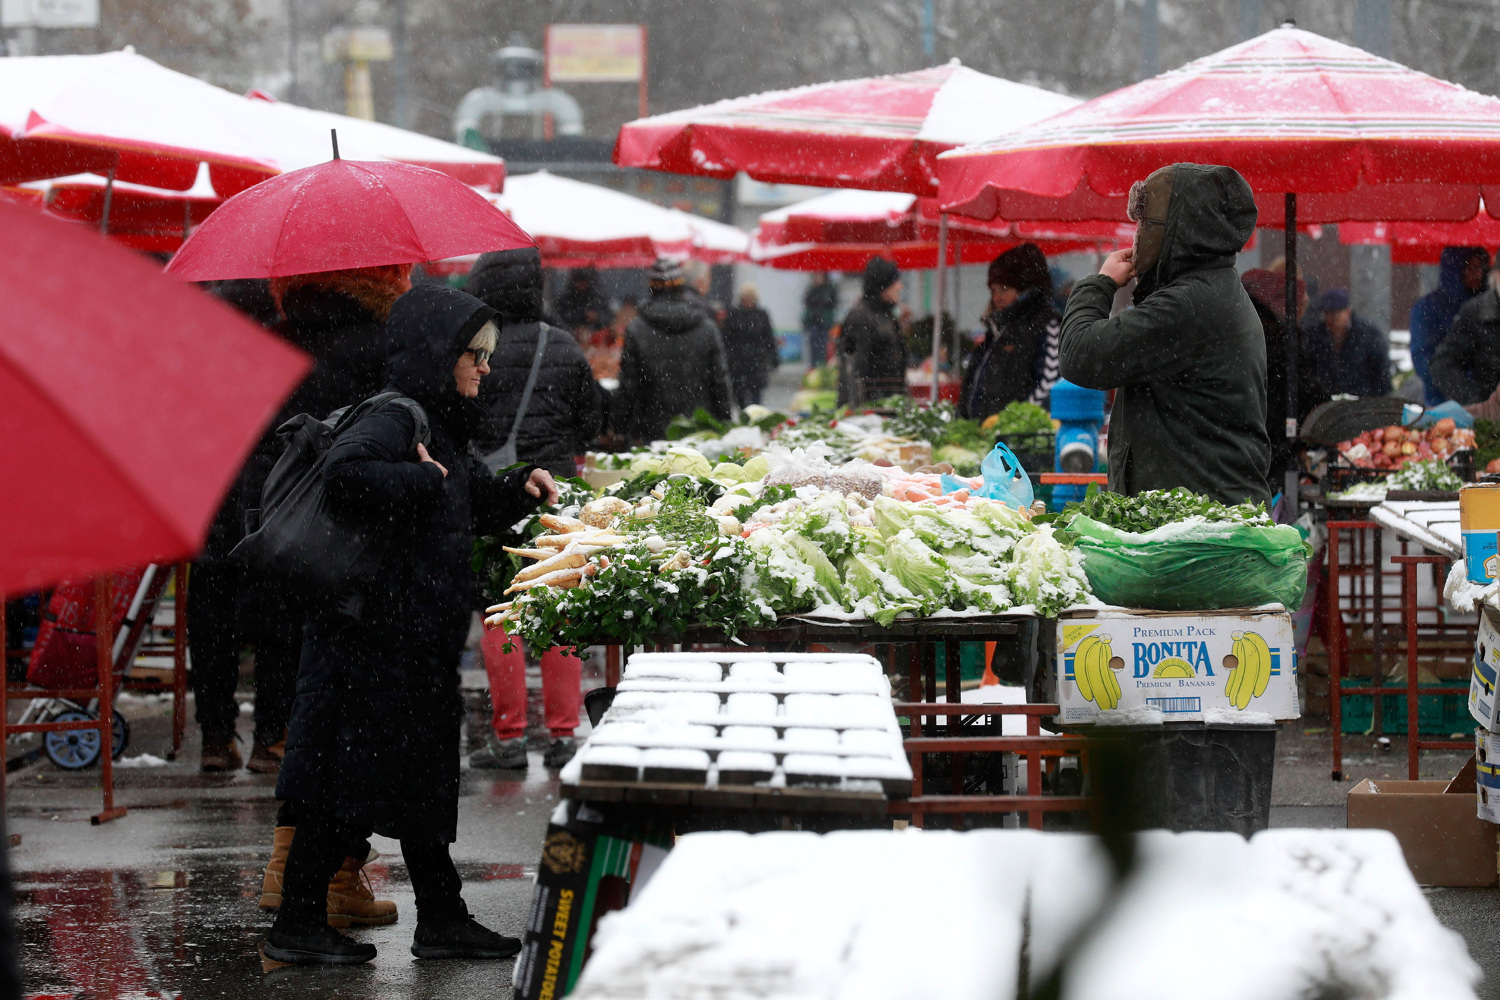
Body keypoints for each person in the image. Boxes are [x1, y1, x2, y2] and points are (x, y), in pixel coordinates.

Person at [266, 284, 558, 966]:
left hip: (413, 637)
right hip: (374, 640)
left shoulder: (439, 424)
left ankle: (442, 918)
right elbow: (347, 477)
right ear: (437, 353)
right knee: (351, 785)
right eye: (473, 354)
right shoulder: (397, 417)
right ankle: (298, 922)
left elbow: (465, 497)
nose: (485, 367)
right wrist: (420, 483)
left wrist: (517, 488)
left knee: (422, 782)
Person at [192, 266, 405, 775]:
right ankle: (274, 735)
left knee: (215, 612)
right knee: (289, 616)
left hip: (235, 488)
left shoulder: (265, 338)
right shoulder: (377, 344)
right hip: (322, 497)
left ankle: (216, 737)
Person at [462, 246, 604, 772]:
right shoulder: (562, 344)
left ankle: (509, 737)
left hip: (494, 493)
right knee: (557, 606)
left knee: (500, 610)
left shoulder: (477, 348)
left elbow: (463, 415)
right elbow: (591, 420)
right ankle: (564, 733)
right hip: (554, 494)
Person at [1059, 162, 1270, 505]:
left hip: (1200, 520)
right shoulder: (1211, 290)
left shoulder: (1190, 303)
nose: (1137, 235)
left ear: (1175, 230)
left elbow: (1080, 354)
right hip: (1203, 510)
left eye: (1144, 223)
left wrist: (1100, 284)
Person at [613, 259, 733, 443]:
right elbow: (719, 381)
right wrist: (724, 421)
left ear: (651, 289)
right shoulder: (707, 327)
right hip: (699, 428)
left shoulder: (636, 329)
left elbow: (629, 385)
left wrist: (620, 426)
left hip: (652, 429)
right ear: (681, 288)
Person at [1241, 268, 1329, 491]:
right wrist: (1326, 405)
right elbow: (1305, 389)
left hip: (1250, 435)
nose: (1301, 315)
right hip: (1274, 437)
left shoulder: (1247, 323)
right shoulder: (1278, 338)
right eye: (1299, 308)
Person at [960, 243, 1060, 420]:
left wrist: (1012, 424)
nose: (996, 297)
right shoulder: (997, 329)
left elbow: (1049, 385)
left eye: (1004, 289)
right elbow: (973, 387)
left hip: (1019, 434)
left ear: (1024, 289)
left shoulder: (1048, 325)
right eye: (993, 290)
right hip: (987, 432)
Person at [1410, 246, 1490, 405]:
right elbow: (1424, 360)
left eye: (1482, 267)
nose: (1479, 274)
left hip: (1488, 403)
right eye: (1472, 267)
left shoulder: (1489, 306)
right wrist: (1463, 389)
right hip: (1442, 402)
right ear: (1455, 269)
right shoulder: (1428, 308)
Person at [837, 258, 907, 406]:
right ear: (883, 285)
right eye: (895, 282)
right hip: (872, 406)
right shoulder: (861, 317)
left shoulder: (886, 314)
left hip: (888, 403)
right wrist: (858, 408)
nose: (900, 287)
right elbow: (854, 369)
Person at [1431, 257, 1500, 405]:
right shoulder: (1476, 313)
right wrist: (1473, 400)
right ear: (1495, 275)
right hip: (1488, 411)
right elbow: (1443, 363)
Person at [1302, 288, 1392, 398]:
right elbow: (1309, 371)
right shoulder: (1314, 336)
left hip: (1361, 402)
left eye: (1335, 313)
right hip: (1325, 402)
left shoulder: (1369, 335)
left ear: (1348, 312)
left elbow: (1381, 373)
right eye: (1326, 313)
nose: (1330, 319)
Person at [722, 285, 779, 408]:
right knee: (740, 394)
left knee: (756, 394)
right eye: (746, 297)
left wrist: (774, 357)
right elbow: (727, 338)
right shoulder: (734, 314)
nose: (749, 300)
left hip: (756, 360)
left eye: (751, 297)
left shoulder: (762, 315)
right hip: (738, 361)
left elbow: (768, 337)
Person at [553, 266, 612, 334]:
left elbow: (609, 318)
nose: (581, 284)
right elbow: (559, 318)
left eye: (584, 281)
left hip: (595, 335)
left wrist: (597, 317)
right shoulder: (565, 298)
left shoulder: (598, 297)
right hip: (570, 333)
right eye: (578, 281)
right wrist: (582, 315)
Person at [802, 272, 839, 368]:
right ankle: (814, 366)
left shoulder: (829, 290)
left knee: (825, 345)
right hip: (814, 322)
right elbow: (807, 303)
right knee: (814, 345)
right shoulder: (811, 290)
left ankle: (823, 366)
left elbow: (832, 303)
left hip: (825, 322)